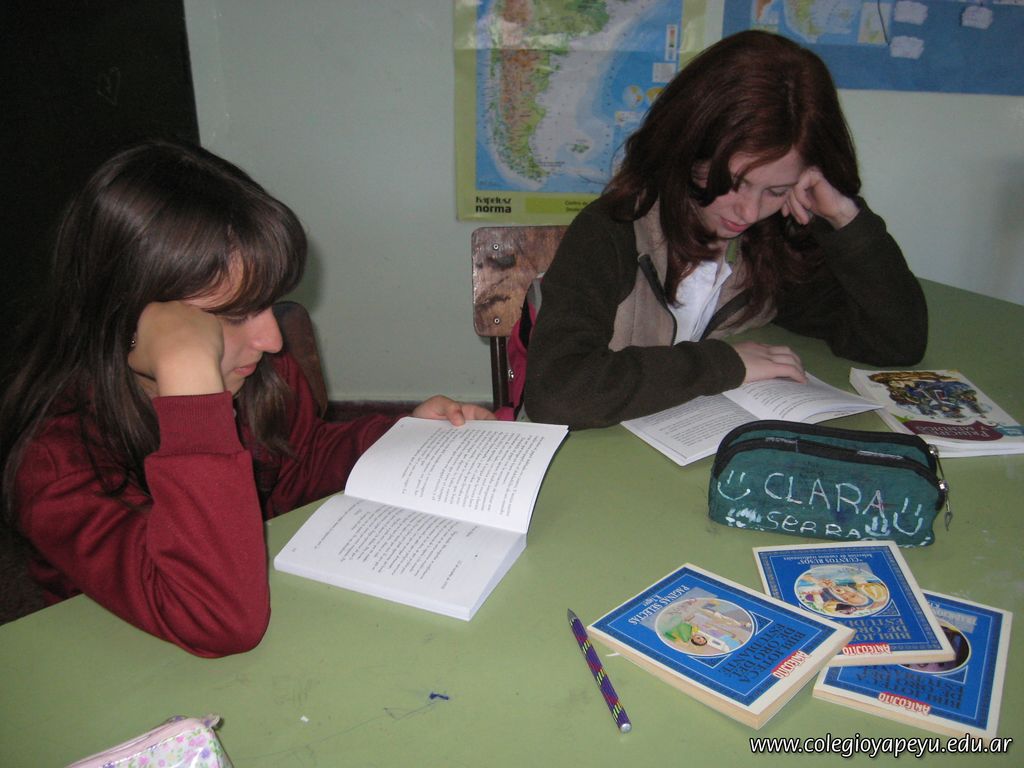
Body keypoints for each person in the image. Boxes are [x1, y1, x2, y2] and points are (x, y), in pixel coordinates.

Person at [0, 140, 492, 657]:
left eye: (268, 305)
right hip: (124, 659)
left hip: (260, 618)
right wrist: (190, 383)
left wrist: (406, 438)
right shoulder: (54, 461)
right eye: (235, 315)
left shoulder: (255, 374)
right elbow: (218, 618)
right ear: (132, 323)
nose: (273, 340)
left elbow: (300, 461)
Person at [524, 31, 927, 429]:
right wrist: (724, 363)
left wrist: (844, 219)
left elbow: (896, 341)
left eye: (777, 190)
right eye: (733, 183)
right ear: (687, 149)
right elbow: (557, 392)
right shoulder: (611, 232)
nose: (749, 211)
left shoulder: (768, 244)